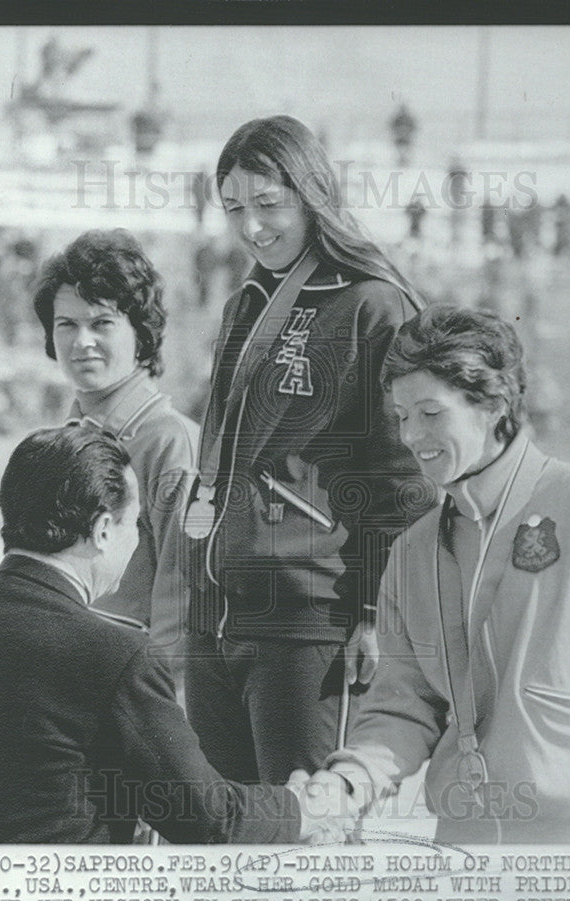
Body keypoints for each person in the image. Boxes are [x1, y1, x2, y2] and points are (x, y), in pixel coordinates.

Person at [182, 115, 435, 787]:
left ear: (311, 194)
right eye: (234, 208)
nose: (251, 227)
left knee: (302, 836)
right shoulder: (248, 301)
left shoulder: (372, 306)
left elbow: (402, 475)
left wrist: (377, 614)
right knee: (224, 838)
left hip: (308, 620)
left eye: (268, 204)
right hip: (216, 615)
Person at [314, 304, 570, 844]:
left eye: (431, 413)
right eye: (401, 416)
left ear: (492, 404)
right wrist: (348, 782)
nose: (411, 436)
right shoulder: (412, 550)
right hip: (463, 843)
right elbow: (402, 707)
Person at [0, 424, 327, 844]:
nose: (135, 538)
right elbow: (209, 819)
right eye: (134, 523)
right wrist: (300, 808)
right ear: (102, 531)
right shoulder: (114, 656)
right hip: (69, 898)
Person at [34, 229, 197, 672]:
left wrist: (155, 702)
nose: (81, 341)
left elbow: (183, 597)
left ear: (140, 333)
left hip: (127, 681)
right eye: (66, 324)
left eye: (102, 322)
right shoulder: (63, 441)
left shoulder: (169, 441)